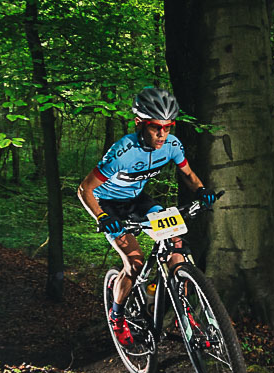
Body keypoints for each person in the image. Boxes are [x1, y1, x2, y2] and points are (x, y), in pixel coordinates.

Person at [79, 87, 218, 344]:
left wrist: (202, 191)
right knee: (135, 263)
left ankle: (183, 310)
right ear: (140, 123)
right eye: (156, 127)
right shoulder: (122, 151)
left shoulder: (172, 145)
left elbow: (188, 175)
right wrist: (101, 217)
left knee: (177, 243)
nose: (162, 134)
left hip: (139, 201)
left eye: (168, 126)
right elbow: (84, 189)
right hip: (110, 206)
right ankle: (117, 316)